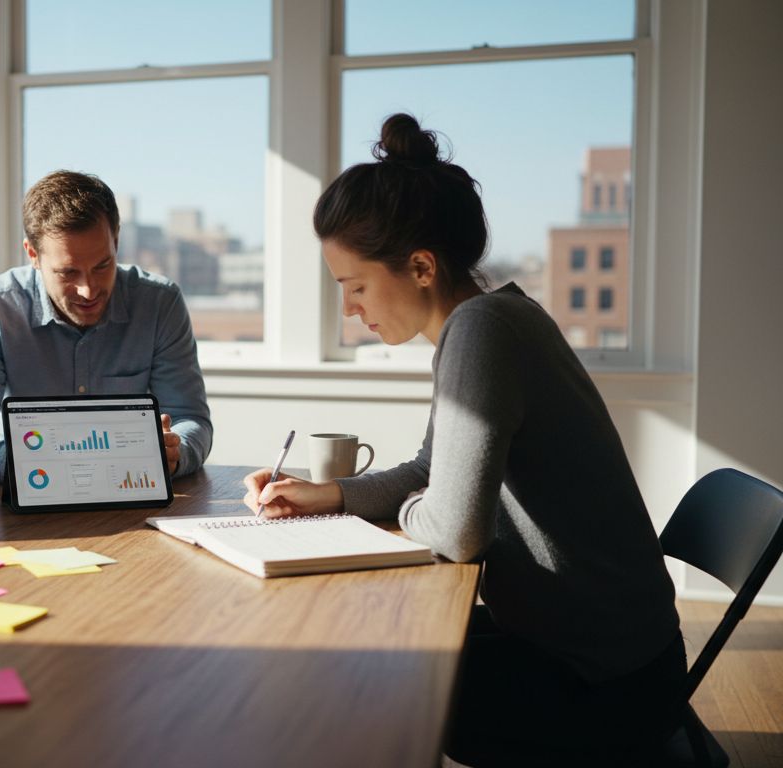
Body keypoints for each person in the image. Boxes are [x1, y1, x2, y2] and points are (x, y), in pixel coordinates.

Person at [242, 115, 685, 765]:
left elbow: (455, 531)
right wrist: (328, 494)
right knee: (366, 647)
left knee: (345, 677)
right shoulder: (495, 318)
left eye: (355, 286)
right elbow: (432, 468)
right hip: (615, 656)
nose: (350, 309)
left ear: (421, 266)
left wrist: (413, 507)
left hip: (603, 685)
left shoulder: (482, 332)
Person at [0, 170, 212, 482]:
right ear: (33, 255)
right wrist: (28, 462)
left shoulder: (160, 303)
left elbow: (190, 418)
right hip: (32, 488)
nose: (88, 290)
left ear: (116, 241)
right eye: (68, 272)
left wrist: (175, 452)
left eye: (102, 265)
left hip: (131, 489)